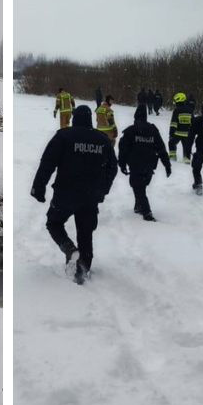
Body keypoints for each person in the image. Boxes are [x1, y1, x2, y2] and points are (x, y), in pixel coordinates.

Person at [31, 105, 118, 284]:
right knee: (85, 232)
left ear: (74, 119)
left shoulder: (64, 136)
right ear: (90, 120)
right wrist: (103, 189)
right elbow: (112, 168)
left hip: (66, 193)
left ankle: (70, 250)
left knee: (54, 223)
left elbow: (47, 163)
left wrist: (39, 188)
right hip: (90, 195)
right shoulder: (101, 140)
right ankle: (82, 270)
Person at [117, 104, 170, 221]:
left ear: (135, 117)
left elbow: (123, 149)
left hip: (136, 165)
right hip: (149, 166)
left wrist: (122, 164)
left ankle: (147, 212)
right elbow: (161, 148)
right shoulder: (153, 130)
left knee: (138, 187)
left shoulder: (130, 131)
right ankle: (138, 206)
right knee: (140, 186)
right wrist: (167, 165)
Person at [168, 92, 196, 164]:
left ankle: (173, 157)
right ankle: (186, 158)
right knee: (187, 147)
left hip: (177, 133)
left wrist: (171, 134)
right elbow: (193, 122)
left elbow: (173, 123)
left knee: (171, 143)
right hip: (188, 134)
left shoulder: (177, 110)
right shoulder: (190, 110)